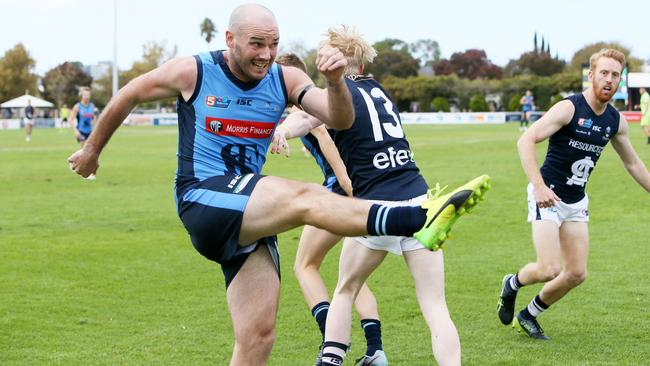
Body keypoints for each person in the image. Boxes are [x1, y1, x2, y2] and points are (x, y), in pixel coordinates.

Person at [67, 5, 485, 364]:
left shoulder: (283, 78)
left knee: (259, 339)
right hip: (203, 196)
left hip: (250, 216)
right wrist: (91, 150)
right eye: (256, 44)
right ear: (230, 38)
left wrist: (336, 83)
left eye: (274, 44)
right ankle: (416, 217)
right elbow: (129, 93)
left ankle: (414, 217)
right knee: (305, 195)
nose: (267, 54)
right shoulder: (193, 70)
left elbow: (338, 119)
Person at [272, 26, 490, 366]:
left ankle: (331, 359)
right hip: (419, 197)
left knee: (345, 289)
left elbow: (305, 118)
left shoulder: (337, 96)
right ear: (361, 64)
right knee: (435, 306)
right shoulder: (379, 89)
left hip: (375, 207)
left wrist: (283, 130)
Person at [497, 49, 650, 340]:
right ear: (591, 75)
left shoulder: (615, 121)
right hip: (548, 195)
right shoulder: (569, 108)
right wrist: (539, 186)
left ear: (620, 80)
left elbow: (632, 163)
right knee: (549, 268)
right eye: (603, 73)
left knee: (577, 274)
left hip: (576, 201)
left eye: (615, 75)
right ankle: (512, 283)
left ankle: (528, 314)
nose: (609, 79)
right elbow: (526, 139)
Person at [275, 53, 386, 366]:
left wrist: (347, 187)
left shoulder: (307, 107)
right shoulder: (317, 101)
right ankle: (376, 351)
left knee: (305, 265)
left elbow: (323, 135)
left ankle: (331, 344)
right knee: (351, 278)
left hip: (341, 194)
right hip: (355, 192)